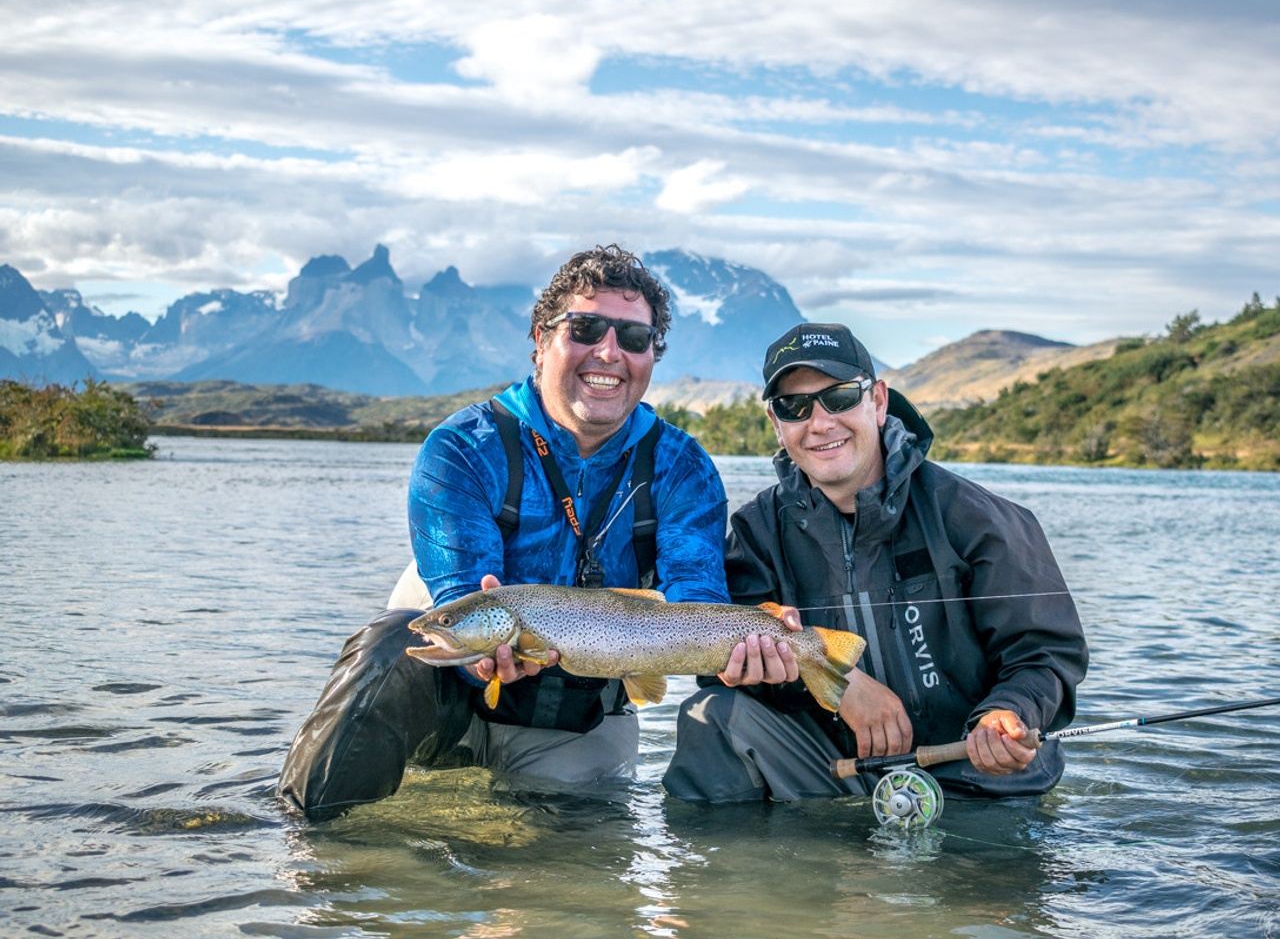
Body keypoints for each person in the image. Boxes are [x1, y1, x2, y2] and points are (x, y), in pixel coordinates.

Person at [279, 245, 733, 821]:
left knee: (572, 893)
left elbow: (699, 603)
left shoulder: (683, 468)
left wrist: (753, 649)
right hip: (450, 704)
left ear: (651, 357)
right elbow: (457, 603)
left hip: (580, 719)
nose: (609, 352)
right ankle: (302, 848)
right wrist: (481, 660)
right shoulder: (463, 448)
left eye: (633, 338)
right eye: (586, 328)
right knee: (390, 643)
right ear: (541, 341)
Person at [663, 322, 1089, 803]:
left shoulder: (979, 518)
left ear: (879, 401)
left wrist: (1008, 713)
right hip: (837, 773)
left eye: (839, 397)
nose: (820, 422)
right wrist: (838, 686)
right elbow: (718, 663)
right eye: (794, 407)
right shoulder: (755, 532)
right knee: (712, 713)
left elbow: (1047, 656)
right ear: (776, 425)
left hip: (980, 778)